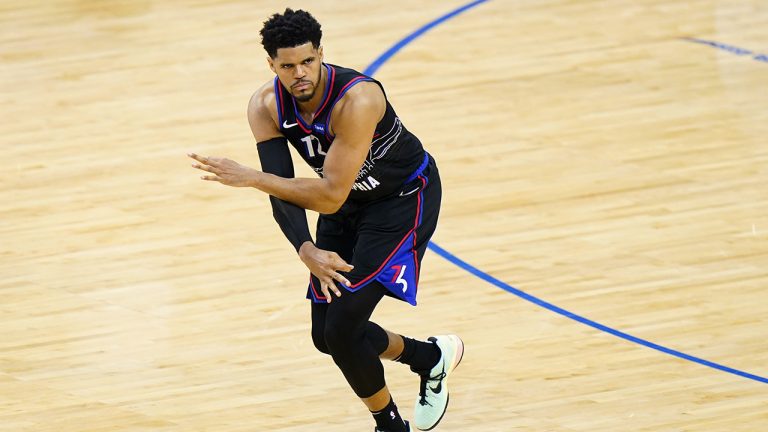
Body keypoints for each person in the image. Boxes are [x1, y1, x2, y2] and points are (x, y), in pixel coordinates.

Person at [188, 8, 463, 432]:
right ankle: (429, 357)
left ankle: (390, 427)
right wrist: (306, 248)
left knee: (343, 328)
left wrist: (251, 178)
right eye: (287, 65)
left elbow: (327, 194)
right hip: (347, 205)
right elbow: (281, 190)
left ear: (321, 54)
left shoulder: (358, 99)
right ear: (271, 65)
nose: (300, 73)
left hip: (401, 201)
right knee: (326, 335)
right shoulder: (265, 106)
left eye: (307, 61)